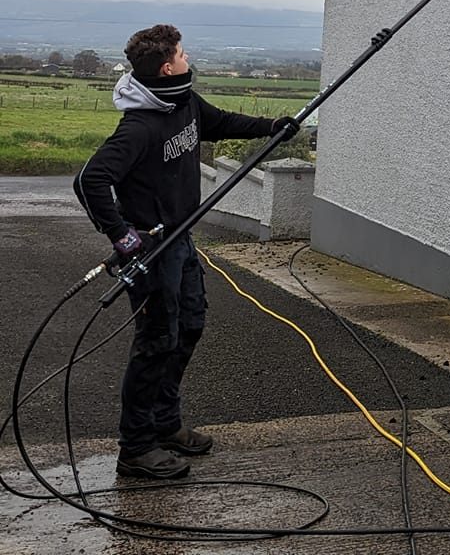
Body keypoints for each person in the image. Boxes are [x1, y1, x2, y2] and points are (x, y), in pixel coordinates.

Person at [74, 24, 298, 480]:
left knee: (189, 326)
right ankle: (135, 448)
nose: (187, 56)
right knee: (156, 342)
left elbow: (221, 123)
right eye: (182, 53)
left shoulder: (184, 103)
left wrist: (274, 128)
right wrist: (123, 235)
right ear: (166, 66)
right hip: (153, 251)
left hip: (183, 240)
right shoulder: (140, 125)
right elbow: (89, 180)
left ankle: (165, 424)